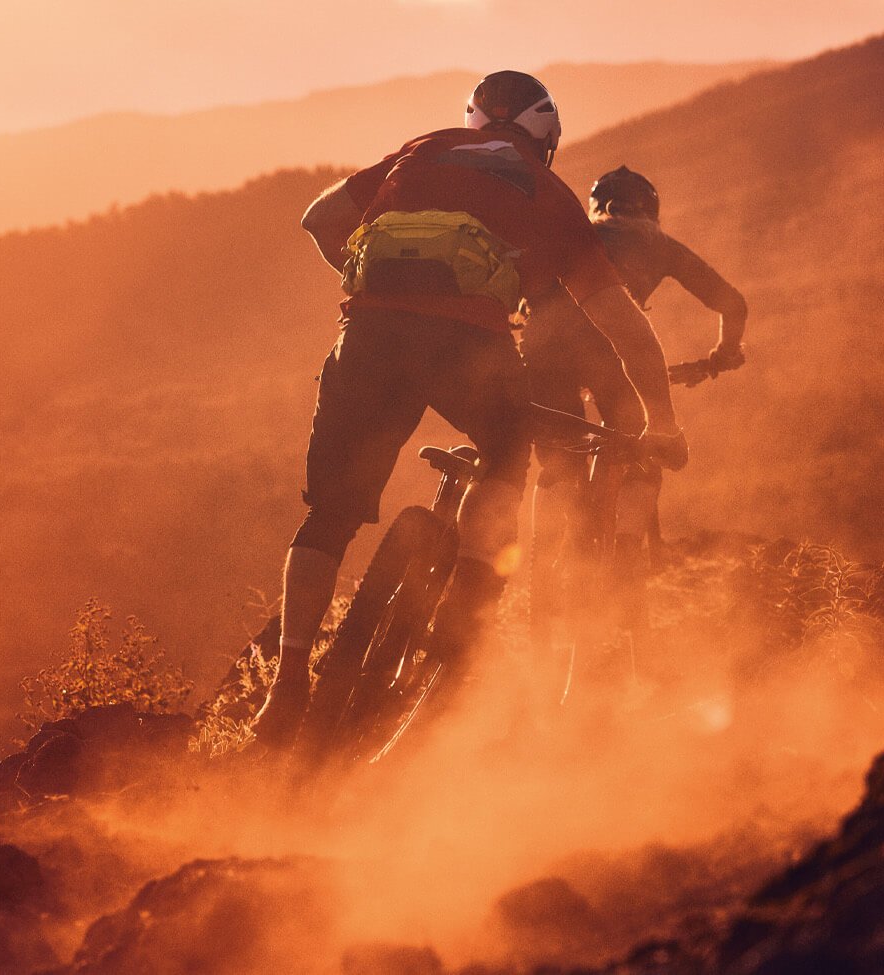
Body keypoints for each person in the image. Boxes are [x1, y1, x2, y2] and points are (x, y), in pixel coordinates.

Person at [253, 71, 687, 747]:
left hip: (366, 334)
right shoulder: (545, 190)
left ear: (476, 121)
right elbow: (623, 326)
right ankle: (467, 609)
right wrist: (663, 419)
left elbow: (319, 219)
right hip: (467, 343)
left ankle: (286, 683)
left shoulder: (421, 149)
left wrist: (367, 285)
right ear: (543, 139)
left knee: (329, 514)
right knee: (509, 453)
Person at [525, 166, 747, 643]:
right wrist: (723, 354)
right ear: (651, 211)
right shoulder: (659, 243)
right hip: (617, 351)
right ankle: (626, 551)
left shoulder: (578, 230)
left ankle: (540, 577)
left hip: (542, 352)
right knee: (648, 443)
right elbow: (733, 303)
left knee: (558, 458)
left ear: (596, 204)